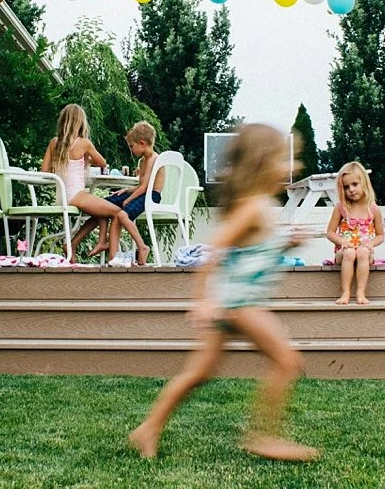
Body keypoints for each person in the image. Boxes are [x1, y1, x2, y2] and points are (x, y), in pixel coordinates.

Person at [128, 124, 319, 462]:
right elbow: (213, 250)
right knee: (287, 361)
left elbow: (250, 250)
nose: (294, 167)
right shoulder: (251, 208)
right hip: (239, 303)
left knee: (199, 373)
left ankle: (149, 427)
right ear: (263, 163)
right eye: (286, 159)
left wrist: (286, 241)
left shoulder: (258, 206)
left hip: (231, 303)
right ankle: (263, 436)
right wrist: (203, 299)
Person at [41, 104, 150, 266]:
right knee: (116, 212)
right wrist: (87, 159)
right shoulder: (83, 143)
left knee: (103, 209)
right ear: (81, 123)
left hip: (62, 196)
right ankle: (109, 249)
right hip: (77, 196)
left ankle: (74, 245)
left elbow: (44, 171)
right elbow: (102, 162)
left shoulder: (53, 143)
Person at [324, 161, 385, 305]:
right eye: (346, 187)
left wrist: (371, 243)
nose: (351, 189)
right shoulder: (341, 208)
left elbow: (380, 235)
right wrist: (342, 242)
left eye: (355, 184)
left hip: (365, 252)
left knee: (362, 252)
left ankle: (361, 292)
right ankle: (345, 292)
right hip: (344, 252)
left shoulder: (373, 209)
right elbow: (330, 232)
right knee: (350, 252)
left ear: (364, 183)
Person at [103, 121, 164, 262]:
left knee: (123, 215)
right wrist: (126, 190)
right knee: (116, 213)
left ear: (142, 143)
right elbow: (140, 186)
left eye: (132, 146)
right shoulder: (143, 161)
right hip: (145, 192)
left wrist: (128, 199)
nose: (131, 150)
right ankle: (113, 257)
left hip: (152, 195)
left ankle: (142, 247)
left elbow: (144, 188)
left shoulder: (153, 159)